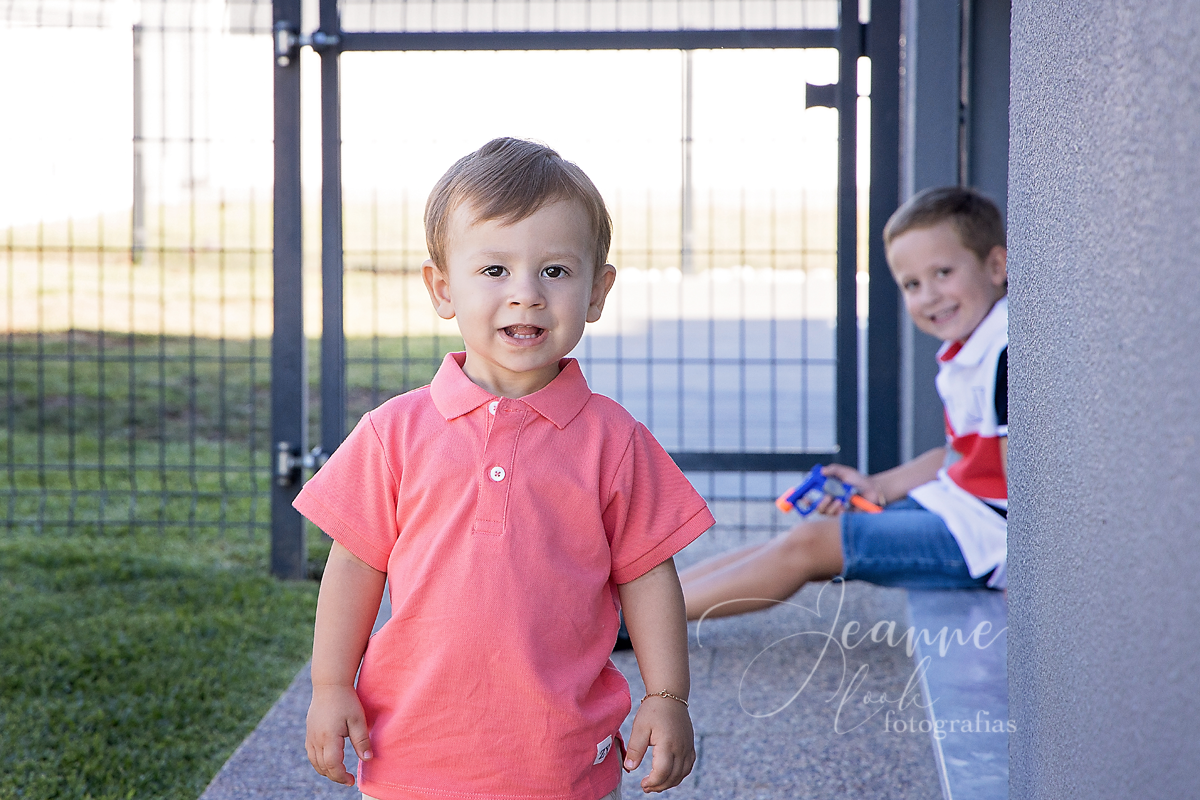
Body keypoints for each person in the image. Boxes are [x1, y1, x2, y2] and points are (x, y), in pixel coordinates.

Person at [295, 137, 715, 800]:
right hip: (410, 746)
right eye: (494, 271)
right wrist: (329, 685)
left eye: (555, 271)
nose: (526, 295)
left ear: (598, 291)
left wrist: (667, 695)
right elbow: (354, 567)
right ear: (443, 288)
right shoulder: (392, 434)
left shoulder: (615, 442)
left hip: (561, 755)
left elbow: (648, 576)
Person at [681, 186, 1009, 621]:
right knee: (798, 538)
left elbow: (1020, 483)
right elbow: (961, 455)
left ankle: (637, 624)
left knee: (811, 544)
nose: (929, 295)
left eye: (943, 273)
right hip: (962, 511)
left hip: (987, 540)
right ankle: (631, 609)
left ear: (996, 265)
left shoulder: (1007, 352)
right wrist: (876, 488)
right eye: (912, 284)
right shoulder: (971, 345)